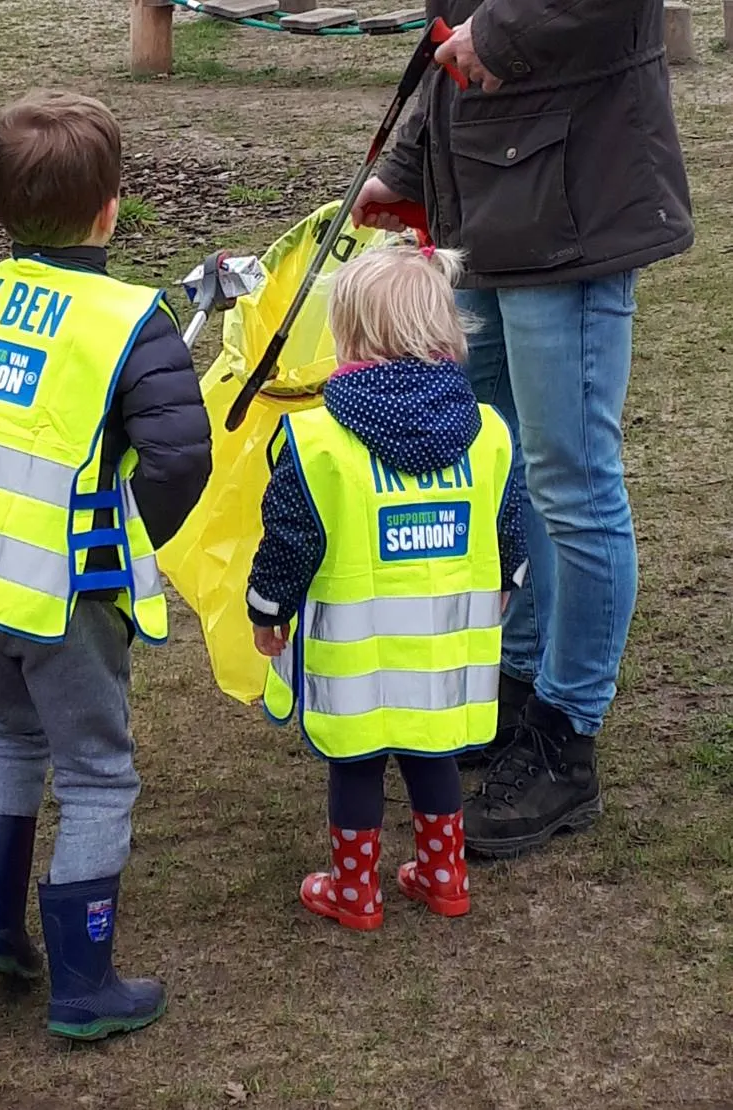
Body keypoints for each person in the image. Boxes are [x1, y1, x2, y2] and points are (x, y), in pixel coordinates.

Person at [0, 90, 212, 1040]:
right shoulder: (131, 319)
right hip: (63, 591)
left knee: (5, 733)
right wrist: (132, 541)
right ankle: (83, 983)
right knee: (98, 773)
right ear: (112, 207)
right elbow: (180, 459)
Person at [353, 0, 693, 858]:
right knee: (504, 467)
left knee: (573, 482)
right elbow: (453, 25)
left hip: (573, 203)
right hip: (482, 202)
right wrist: (406, 162)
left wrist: (498, 36)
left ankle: (566, 733)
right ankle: (520, 681)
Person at [248, 243, 526, 929]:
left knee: (356, 763)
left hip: (358, 661)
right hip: (445, 653)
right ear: (448, 329)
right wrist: (507, 582)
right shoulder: (488, 432)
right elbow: (509, 523)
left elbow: (289, 538)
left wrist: (267, 607)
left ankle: (355, 891)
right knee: (434, 754)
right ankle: (444, 878)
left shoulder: (316, 440)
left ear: (347, 334)